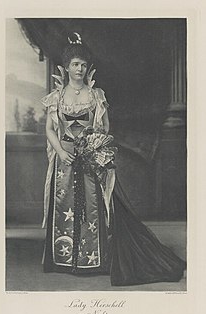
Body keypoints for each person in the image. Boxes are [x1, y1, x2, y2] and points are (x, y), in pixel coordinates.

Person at [41, 32, 186, 286]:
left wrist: (93, 147)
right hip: (64, 161)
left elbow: (105, 128)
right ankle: (63, 258)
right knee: (65, 205)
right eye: (75, 64)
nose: (80, 69)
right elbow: (50, 130)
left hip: (90, 159)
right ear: (66, 67)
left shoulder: (96, 95)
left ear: (88, 69)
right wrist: (61, 152)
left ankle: (93, 259)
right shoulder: (56, 97)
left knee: (92, 207)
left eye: (84, 65)